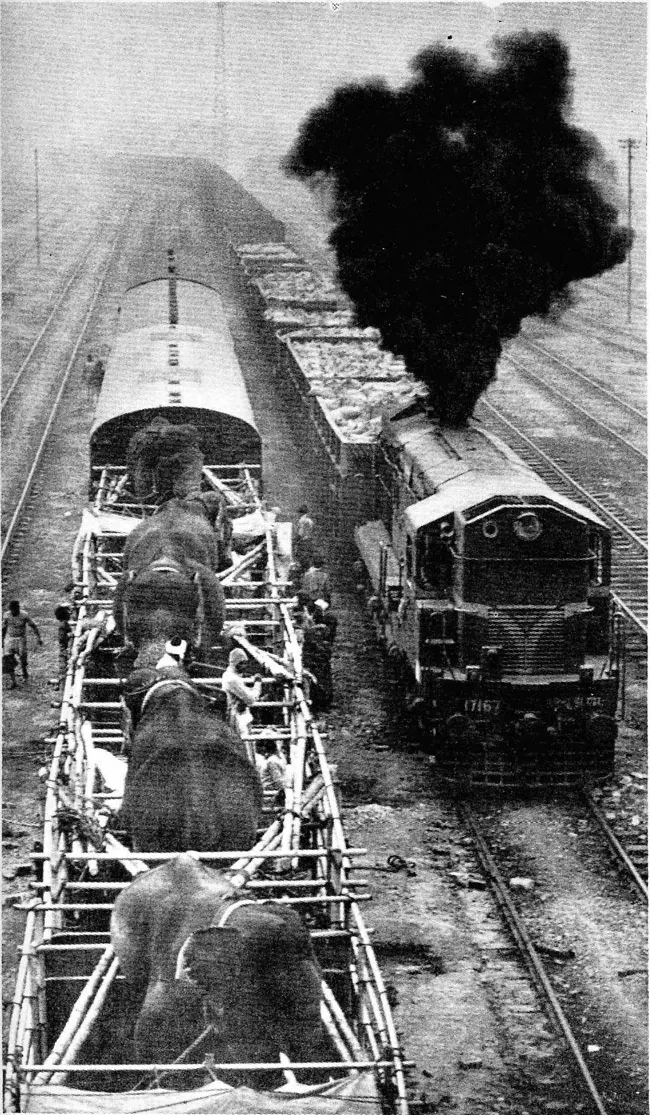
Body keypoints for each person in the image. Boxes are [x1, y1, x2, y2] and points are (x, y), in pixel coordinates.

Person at [221, 648, 263, 736]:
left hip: (240, 716)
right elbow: (251, 699)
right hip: (239, 719)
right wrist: (257, 683)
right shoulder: (232, 679)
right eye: (242, 663)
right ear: (236, 663)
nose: (245, 666)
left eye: (245, 663)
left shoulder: (231, 676)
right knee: (245, 741)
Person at [2, 600, 42, 684]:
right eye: (12, 609)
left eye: (15, 609)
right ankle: (13, 681)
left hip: (21, 639)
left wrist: (38, 637)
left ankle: (25, 673)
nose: (13, 611)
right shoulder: (6, 615)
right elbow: (4, 628)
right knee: (8, 659)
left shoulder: (24, 615)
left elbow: (33, 626)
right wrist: (2, 639)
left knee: (23, 658)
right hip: (10, 638)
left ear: (18, 608)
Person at [54, 604, 72, 691]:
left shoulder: (65, 623)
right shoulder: (63, 624)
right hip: (64, 649)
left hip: (65, 647)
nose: (70, 614)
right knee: (63, 667)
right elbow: (61, 638)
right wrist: (69, 636)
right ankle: (62, 687)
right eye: (68, 613)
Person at [294, 505, 315, 570]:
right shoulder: (310, 521)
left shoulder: (301, 521)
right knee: (308, 558)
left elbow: (300, 533)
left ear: (300, 513)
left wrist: (295, 541)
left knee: (301, 559)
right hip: (309, 541)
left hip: (303, 542)